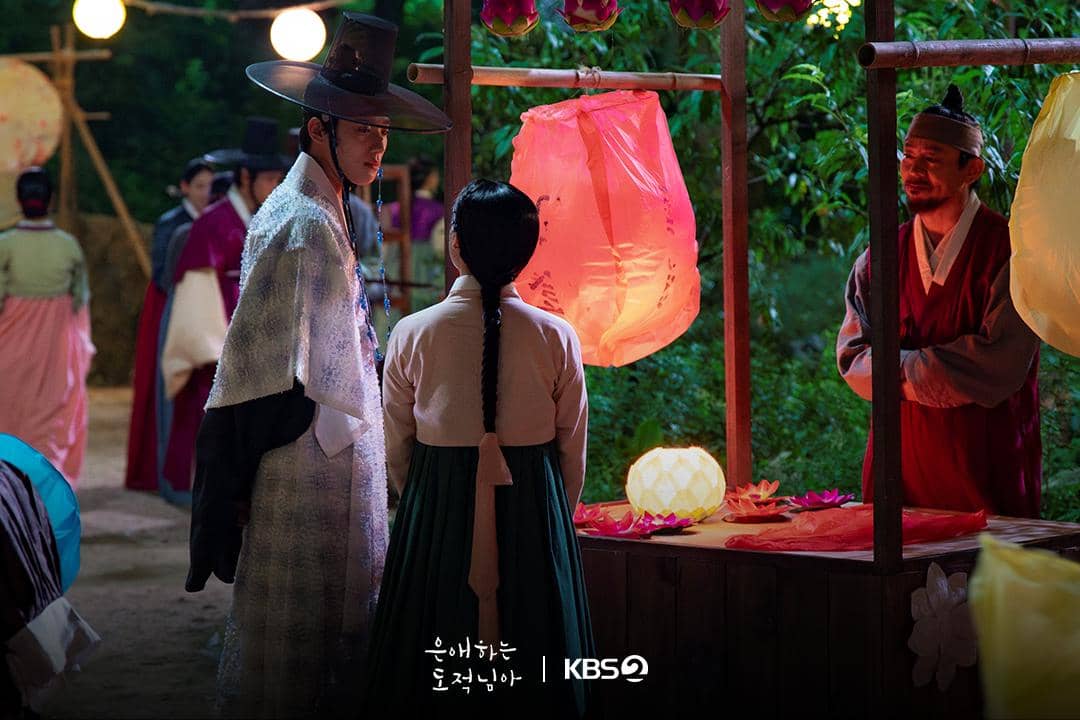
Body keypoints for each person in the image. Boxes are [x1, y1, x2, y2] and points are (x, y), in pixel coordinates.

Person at [184, 13, 450, 717]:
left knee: (326, 630)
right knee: (310, 640)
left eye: (382, 130)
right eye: (363, 130)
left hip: (324, 445)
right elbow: (277, 366)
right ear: (317, 130)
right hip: (309, 456)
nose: (378, 143)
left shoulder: (314, 206)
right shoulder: (305, 222)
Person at [366, 180, 594, 715]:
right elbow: (572, 449)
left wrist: (425, 497)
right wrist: (551, 516)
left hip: (437, 507)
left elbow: (396, 444)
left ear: (455, 244)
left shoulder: (413, 333)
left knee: (430, 655)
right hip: (533, 505)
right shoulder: (556, 335)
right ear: (526, 251)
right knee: (537, 652)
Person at [837, 84, 1041, 518]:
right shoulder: (880, 256)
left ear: (972, 169)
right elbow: (852, 358)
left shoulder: (1009, 252)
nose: (913, 169)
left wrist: (894, 369)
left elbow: (999, 364)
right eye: (908, 156)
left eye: (932, 158)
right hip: (897, 477)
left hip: (986, 476)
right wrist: (926, 369)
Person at [159, 119, 288, 504]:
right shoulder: (213, 225)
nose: (275, 187)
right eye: (269, 179)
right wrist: (215, 350)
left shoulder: (263, 218)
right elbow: (196, 296)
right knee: (211, 428)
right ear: (245, 177)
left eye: (278, 179)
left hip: (254, 337)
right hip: (219, 342)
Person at [0, 168, 94, 487]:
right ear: (51, 199)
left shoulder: (5, 245)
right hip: (56, 351)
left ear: (18, 200)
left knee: (9, 414)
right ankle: (45, 497)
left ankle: (9, 496)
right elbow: (80, 303)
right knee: (49, 421)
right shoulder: (68, 246)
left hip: (8, 350)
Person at [125, 158, 213, 494]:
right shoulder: (172, 223)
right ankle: (156, 471)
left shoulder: (213, 221)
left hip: (204, 311)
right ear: (185, 187)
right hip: (169, 305)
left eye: (210, 186)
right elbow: (162, 272)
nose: (206, 193)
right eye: (199, 186)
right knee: (162, 384)